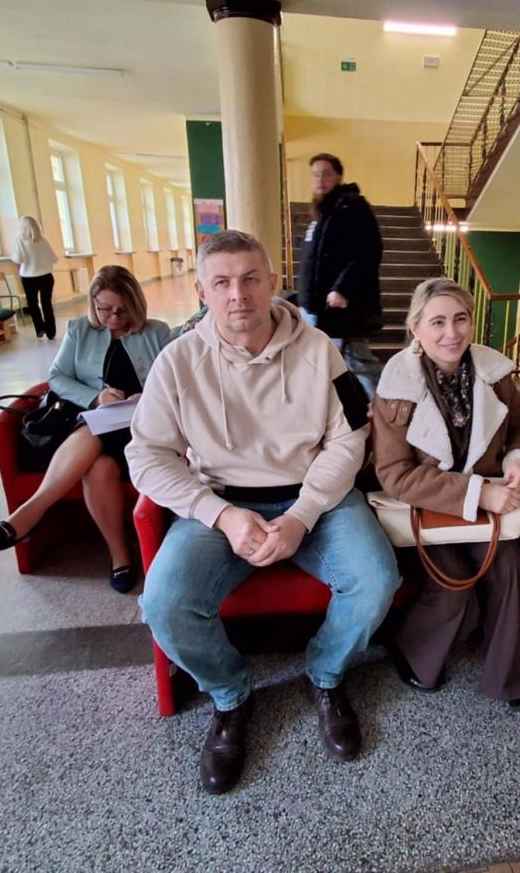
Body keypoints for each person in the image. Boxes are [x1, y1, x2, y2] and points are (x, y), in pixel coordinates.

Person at [128, 229, 400, 795]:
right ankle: (231, 694)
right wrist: (220, 515)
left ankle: (325, 674)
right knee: (163, 604)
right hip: (221, 503)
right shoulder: (177, 361)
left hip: (316, 496)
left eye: (251, 278)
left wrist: (303, 514)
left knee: (376, 580)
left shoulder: (320, 350)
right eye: (222, 282)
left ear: (272, 282)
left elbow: (350, 438)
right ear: (201, 290)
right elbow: (147, 455)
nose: (238, 294)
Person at [372, 279, 520, 710]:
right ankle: (410, 648)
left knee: (512, 571)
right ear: (416, 328)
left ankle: (508, 680)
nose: (451, 333)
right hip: (428, 507)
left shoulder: (494, 373)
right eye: (437, 322)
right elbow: (394, 474)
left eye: (460, 319)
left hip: (484, 508)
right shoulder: (397, 387)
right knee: (452, 585)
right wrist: (479, 494)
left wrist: (517, 460)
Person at [0, 265, 178, 593]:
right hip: (96, 420)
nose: (113, 318)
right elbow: (57, 377)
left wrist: (148, 395)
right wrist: (95, 398)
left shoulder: (156, 332)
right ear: (93, 303)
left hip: (140, 428)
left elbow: (175, 376)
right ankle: (119, 555)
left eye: (122, 310)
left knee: (93, 435)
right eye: (104, 309)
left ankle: (30, 513)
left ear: (135, 304)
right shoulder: (79, 330)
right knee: (98, 466)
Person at [297, 152, 384, 398]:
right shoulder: (323, 212)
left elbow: (367, 252)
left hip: (339, 306)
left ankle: (388, 407)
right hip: (314, 307)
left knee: (356, 360)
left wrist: (342, 288)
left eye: (327, 174)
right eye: (315, 174)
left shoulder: (352, 207)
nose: (320, 179)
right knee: (322, 363)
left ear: (339, 176)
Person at [10, 215, 59, 339]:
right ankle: (51, 332)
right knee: (46, 304)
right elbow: (54, 258)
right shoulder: (43, 240)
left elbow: (18, 259)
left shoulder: (19, 240)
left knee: (33, 304)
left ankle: (40, 328)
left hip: (29, 277)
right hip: (47, 276)